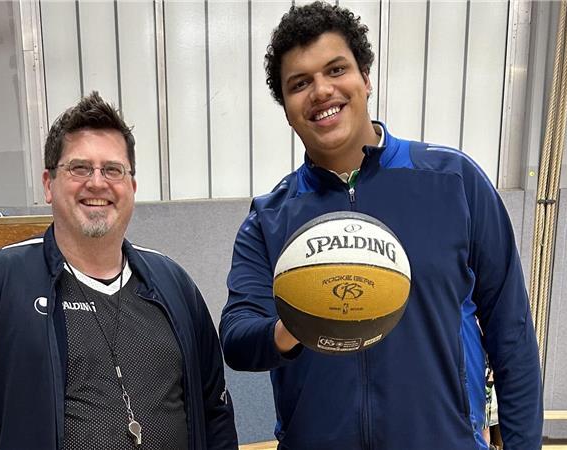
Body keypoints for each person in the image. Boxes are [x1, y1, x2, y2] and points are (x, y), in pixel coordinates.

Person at [218, 2, 543, 449]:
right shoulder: (270, 218)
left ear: (365, 78)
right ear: (287, 108)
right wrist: (298, 320)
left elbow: (512, 335)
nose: (320, 91)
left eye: (336, 70)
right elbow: (235, 336)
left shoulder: (454, 182)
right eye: (300, 84)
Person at [0, 92, 238, 450]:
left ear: (131, 186)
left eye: (113, 169)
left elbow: (214, 409)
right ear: (49, 184)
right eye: (79, 168)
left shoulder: (173, 284)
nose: (97, 182)